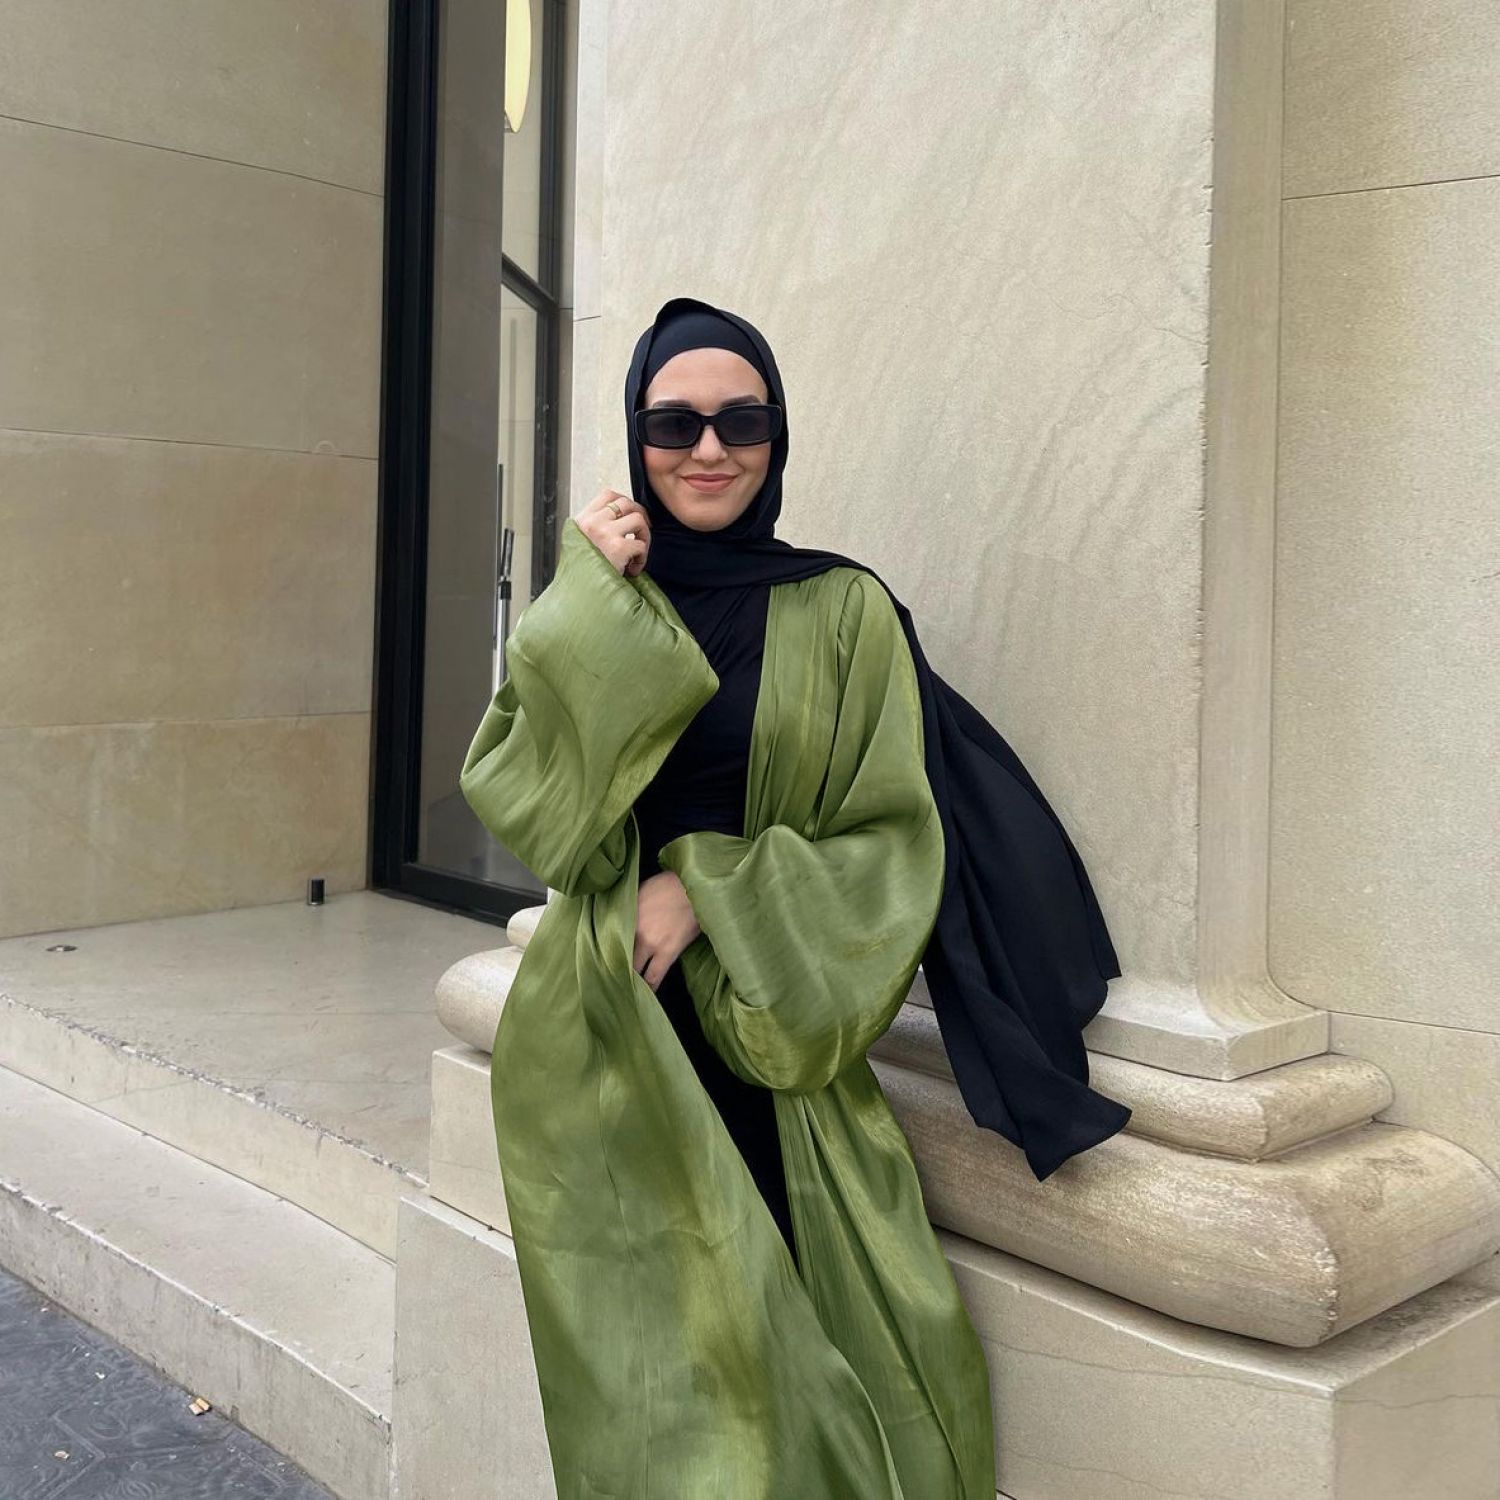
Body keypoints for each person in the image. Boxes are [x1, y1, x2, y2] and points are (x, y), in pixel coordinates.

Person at [459, 296, 1130, 1498]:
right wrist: (584, 602)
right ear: (636, 437)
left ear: (778, 435)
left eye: (743, 420)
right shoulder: (610, 598)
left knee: (822, 1354)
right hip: (607, 1030)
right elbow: (534, 808)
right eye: (674, 423)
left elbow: (891, 840)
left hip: (763, 1021)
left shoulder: (840, 609)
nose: (709, 450)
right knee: (655, 1384)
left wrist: (707, 886)